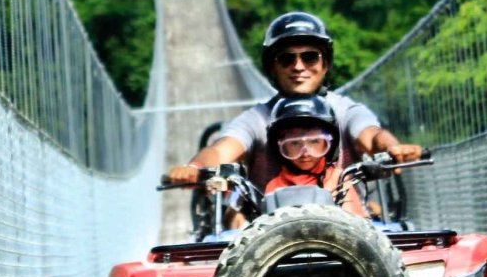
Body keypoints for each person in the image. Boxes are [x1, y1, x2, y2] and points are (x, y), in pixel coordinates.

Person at [166, 11, 423, 188]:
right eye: (286, 59)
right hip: (273, 234)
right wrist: (196, 167)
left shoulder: (346, 111)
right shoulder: (257, 119)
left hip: (346, 225)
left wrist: (392, 148)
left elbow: (371, 135)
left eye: (310, 57)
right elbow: (222, 150)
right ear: (273, 68)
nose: (298, 66)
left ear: (325, 65)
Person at [262, 95, 367, 218]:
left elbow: (355, 224)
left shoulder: (338, 177)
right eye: (295, 143)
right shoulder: (274, 186)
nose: (305, 153)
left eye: (314, 142)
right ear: (280, 147)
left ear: (329, 144)